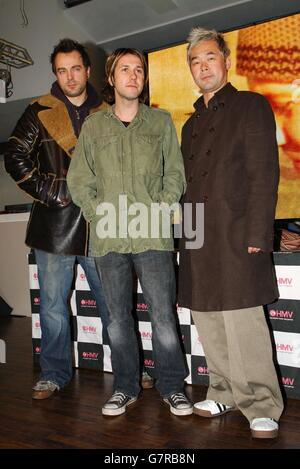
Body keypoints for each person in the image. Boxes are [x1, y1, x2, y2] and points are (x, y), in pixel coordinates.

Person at [67, 47, 192, 417]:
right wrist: (96, 213)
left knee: (163, 316)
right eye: (125, 69)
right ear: (111, 77)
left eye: (139, 70)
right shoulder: (94, 126)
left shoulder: (161, 122)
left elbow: (176, 174)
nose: (133, 76)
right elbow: (79, 179)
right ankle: (125, 387)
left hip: (152, 236)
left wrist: (161, 206)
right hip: (109, 240)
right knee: (118, 319)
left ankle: (172, 386)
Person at [178, 27, 284, 438]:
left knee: (243, 321)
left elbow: (263, 173)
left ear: (225, 61)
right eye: (195, 61)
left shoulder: (251, 105)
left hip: (239, 233)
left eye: (209, 58)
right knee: (207, 318)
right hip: (198, 236)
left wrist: (259, 231)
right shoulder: (189, 126)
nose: (202, 67)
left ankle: (261, 403)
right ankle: (221, 389)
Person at [4, 38, 110, 400]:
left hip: (101, 224)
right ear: (55, 74)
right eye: (62, 70)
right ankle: (54, 373)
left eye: (75, 68)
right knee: (51, 308)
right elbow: (15, 154)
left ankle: (130, 368)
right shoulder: (39, 110)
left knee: (113, 304)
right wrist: (52, 191)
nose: (70, 77)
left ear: (88, 70)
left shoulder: (108, 112)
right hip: (56, 227)